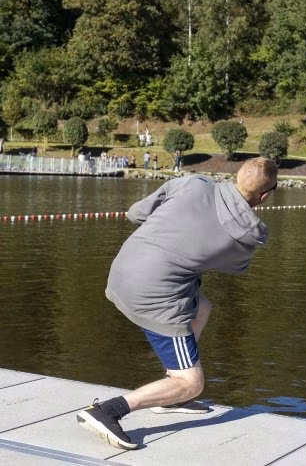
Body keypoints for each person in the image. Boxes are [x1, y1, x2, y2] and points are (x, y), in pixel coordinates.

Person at [76, 158, 279, 450]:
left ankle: (171, 398)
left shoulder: (191, 183)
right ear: (265, 195)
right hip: (155, 298)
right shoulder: (249, 233)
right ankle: (107, 411)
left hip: (121, 272)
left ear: (236, 174)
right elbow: (234, 268)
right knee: (192, 383)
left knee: (202, 307)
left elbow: (136, 213)